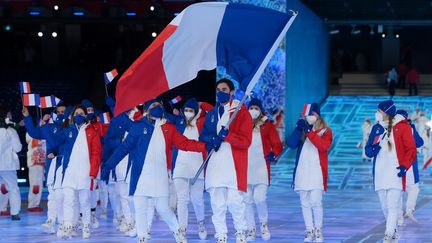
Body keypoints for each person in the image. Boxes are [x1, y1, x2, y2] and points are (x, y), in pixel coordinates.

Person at [102, 98, 207, 243]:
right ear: (146, 109)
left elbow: (184, 143)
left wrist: (205, 146)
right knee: (140, 208)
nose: (157, 107)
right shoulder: (138, 127)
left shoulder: (168, 128)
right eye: (153, 105)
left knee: (163, 208)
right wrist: (108, 165)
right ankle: (142, 236)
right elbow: (123, 148)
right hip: (140, 176)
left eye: (159, 105)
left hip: (160, 175)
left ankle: (177, 232)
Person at [200, 78, 253, 243]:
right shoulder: (211, 114)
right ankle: (221, 234)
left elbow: (246, 141)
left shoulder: (240, 112)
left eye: (223, 89)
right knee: (217, 203)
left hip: (233, 165)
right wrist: (212, 140)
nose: (219, 92)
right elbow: (203, 135)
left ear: (231, 92)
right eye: (218, 89)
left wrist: (228, 136)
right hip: (216, 163)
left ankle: (240, 232)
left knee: (235, 202)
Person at [46, 105, 102, 239]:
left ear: (85, 116)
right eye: (76, 113)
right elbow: (56, 141)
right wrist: (60, 122)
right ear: (72, 116)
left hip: (84, 172)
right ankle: (68, 226)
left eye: (81, 113)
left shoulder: (92, 131)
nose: (78, 115)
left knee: (84, 201)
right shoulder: (67, 130)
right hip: (69, 171)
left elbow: (96, 153)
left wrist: (93, 172)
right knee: (68, 199)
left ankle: (86, 226)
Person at [365, 100, 416, 242]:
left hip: (396, 171)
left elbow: (411, 149)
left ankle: (387, 235)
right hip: (380, 173)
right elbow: (368, 151)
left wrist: (405, 166)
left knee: (393, 205)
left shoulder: (402, 127)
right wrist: (376, 147)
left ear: (386, 112)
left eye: (379, 111)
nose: (377, 113)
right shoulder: (376, 128)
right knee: (384, 206)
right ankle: (393, 232)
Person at [165, 98, 213, 240]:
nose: (188, 112)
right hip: (180, 166)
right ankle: (182, 228)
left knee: (197, 199)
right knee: (182, 199)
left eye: (191, 110)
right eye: (186, 110)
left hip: (197, 167)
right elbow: (165, 116)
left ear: (196, 112)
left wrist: (201, 103)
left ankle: (201, 223)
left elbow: (212, 112)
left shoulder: (202, 122)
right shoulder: (178, 121)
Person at [287, 103, 333, 242]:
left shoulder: (326, 131)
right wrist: (298, 129)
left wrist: (309, 132)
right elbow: (291, 144)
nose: (309, 117)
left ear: (318, 115)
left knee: (316, 202)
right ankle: (309, 230)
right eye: (307, 115)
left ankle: (318, 230)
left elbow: (323, 146)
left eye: (312, 114)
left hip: (317, 172)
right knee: (304, 203)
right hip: (302, 171)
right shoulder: (302, 130)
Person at [23, 104, 67, 233]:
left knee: (65, 195)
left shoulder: (71, 128)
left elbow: (61, 143)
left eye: (63, 112)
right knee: (52, 193)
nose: (60, 114)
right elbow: (34, 133)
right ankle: (51, 220)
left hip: (66, 163)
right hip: (52, 163)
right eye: (58, 111)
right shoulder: (50, 127)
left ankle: (66, 221)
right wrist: (27, 117)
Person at [244, 98, 283, 241]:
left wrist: (274, 153)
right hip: (246, 169)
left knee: (259, 199)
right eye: (251, 108)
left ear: (260, 110)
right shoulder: (242, 125)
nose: (253, 111)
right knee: (247, 201)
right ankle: (250, 229)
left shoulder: (267, 126)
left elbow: (277, 144)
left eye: (256, 108)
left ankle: (263, 224)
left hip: (261, 169)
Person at [395, 110, 422, 226]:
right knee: (414, 188)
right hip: (409, 163)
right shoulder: (409, 127)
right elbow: (419, 142)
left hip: (396, 164)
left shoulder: (390, 127)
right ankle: (409, 210)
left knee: (397, 190)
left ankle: (399, 217)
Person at [0, 104, 22, 220]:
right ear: (6, 115)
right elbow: (18, 148)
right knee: (13, 188)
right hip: (8, 165)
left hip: (6, 164)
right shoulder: (10, 131)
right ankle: (14, 213)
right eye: (9, 114)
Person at [26, 128, 46, 212]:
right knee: (36, 184)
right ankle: (33, 205)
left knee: (38, 184)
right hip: (35, 163)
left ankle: (34, 204)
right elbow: (35, 142)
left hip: (40, 163)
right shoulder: (32, 136)